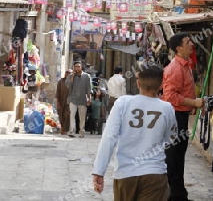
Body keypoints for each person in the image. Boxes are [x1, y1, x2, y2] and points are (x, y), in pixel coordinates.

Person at [92, 64, 177, 201]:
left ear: (138, 83)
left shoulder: (123, 103)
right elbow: (171, 140)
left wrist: (99, 171)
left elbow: (109, 137)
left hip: (125, 174)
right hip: (154, 173)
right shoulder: (167, 108)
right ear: (161, 85)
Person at [161, 32, 204, 201]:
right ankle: (174, 195)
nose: (191, 44)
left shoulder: (186, 65)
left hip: (181, 115)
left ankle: (178, 194)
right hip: (175, 117)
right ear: (179, 48)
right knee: (174, 157)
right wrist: (193, 103)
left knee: (178, 156)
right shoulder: (175, 68)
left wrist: (190, 105)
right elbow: (170, 96)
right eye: (187, 42)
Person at [66, 61, 92, 138]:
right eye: (76, 67)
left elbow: (89, 89)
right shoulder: (70, 76)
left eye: (78, 66)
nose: (77, 68)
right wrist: (72, 77)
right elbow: (68, 86)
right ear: (73, 68)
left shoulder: (87, 76)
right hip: (73, 99)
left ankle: (82, 132)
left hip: (83, 99)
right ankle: (72, 131)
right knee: (72, 115)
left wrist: (89, 99)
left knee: (82, 117)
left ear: (81, 67)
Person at [56, 69, 72, 135]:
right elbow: (58, 92)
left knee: (67, 115)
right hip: (61, 101)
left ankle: (65, 129)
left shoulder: (72, 82)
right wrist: (58, 102)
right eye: (66, 73)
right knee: (61, 116)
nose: (67, 74)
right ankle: (62, 128)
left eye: (69, 73)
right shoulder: (61, 81)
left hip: (69, 102)